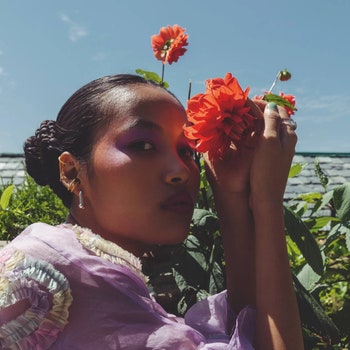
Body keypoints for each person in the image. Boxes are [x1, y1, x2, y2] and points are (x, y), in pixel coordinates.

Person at [0, 74, 304, 349]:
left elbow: (244, 335)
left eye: (187, 151)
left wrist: (232, 199)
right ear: (71, 172)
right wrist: (266, 202)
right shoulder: (50, 277)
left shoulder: (105, 283)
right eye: (144, 145)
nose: (181, 172)